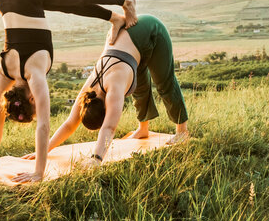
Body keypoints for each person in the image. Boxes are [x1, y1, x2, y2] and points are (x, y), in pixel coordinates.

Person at [0, 0, 137, 183]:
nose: (39, 109)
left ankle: (126, 1)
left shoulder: (34, 73)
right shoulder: (6, 69)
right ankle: (114, 18)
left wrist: (39, 172)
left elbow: (44, 125)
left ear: (31, 98)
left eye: (35, 108)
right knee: (68, 4)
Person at [22, 14, 189, 167]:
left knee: (164, 83)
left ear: (106, 108)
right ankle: (143, 129)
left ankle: (182, 131)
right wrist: (44, 150)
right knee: (140, 89)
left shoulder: (114, 87)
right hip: (129, 46)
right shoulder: (88, 90)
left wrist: (96, 158)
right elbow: (69, 124)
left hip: (151, 31)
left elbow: (109, 127)